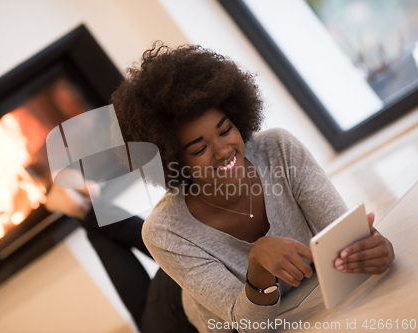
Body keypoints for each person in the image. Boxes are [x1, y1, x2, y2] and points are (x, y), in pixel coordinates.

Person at [107, 43, 395, 333]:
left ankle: (84, 207)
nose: (222, 150)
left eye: (225, 130)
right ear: (173, 158)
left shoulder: (278, 149)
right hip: (175, 314)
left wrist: (378, 249)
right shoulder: (163, 231)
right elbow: (250, 326)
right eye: (200, 148)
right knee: (141, 302)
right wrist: (256, 265)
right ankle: (85, 211)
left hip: (194, 257)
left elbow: (349, 241)